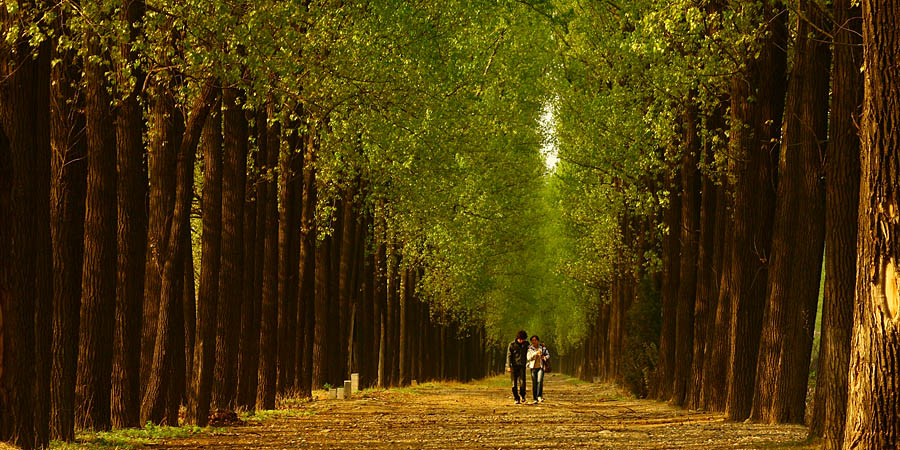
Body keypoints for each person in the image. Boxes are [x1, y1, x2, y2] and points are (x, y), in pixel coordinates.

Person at [506, 330, 529, 404]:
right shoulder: (512, 345)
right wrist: (509, 366)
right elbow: (509, 356)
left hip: (522, 366)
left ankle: (523, 395)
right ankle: (516, 398)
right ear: (518, 338)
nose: (522, 341)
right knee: (514, 384)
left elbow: (532, 349)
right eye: (521, 339)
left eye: (524, 339)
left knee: (522, 383)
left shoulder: (526, 344)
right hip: (514, 366)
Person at [527, 335, 549, 404]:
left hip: (541, 367)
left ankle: (539, 396)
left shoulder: (542, 347)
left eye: (535, 340)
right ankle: (535, 398)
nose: (534, 341)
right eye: (532, 340)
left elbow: (548, 354)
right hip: (533, 367)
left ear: (537, 340)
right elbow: (528, 358)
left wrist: (545, 357)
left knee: (540, 381)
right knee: (534, 383)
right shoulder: (529, 348)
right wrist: (535, 354)